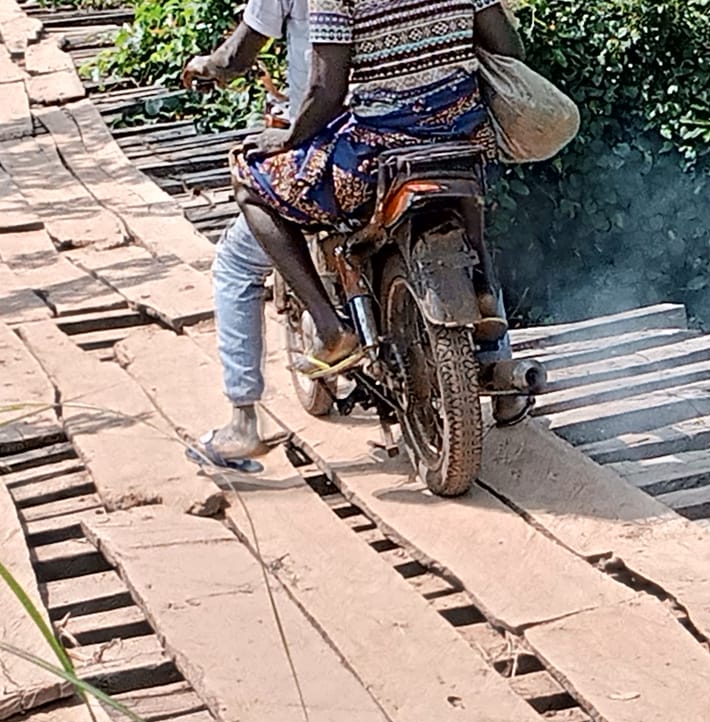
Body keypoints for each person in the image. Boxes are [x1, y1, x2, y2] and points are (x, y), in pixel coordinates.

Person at [230, 0, 524, 377]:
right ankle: (483, 287)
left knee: (249, 181)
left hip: (379, 153)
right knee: (468, 182)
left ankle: (331, 329)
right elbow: (508, 49)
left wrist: (288, 137)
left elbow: (325, 89)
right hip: (464, 137)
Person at [181, 0, 311, 467]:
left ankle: (241, 421)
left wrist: (207, 67)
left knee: (236, 262)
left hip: (337, 140)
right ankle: (500, 369)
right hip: (440, 133)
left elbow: (239, 56)